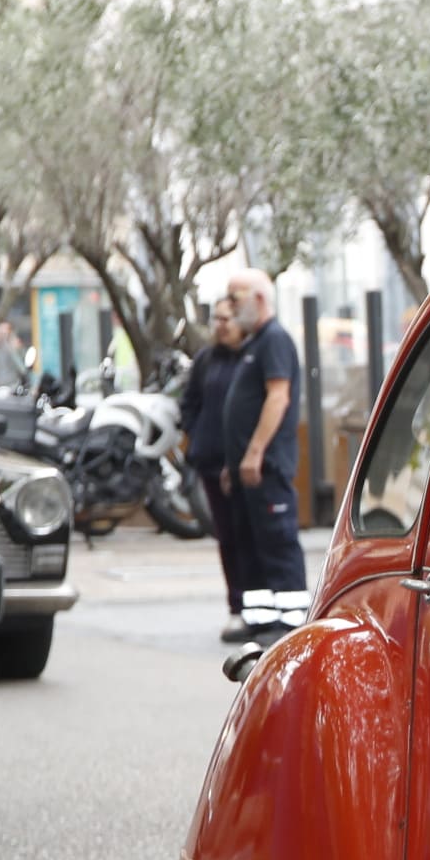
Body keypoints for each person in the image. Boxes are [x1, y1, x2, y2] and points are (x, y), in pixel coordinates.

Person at [219, 269, 309, 644]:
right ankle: (261, 621)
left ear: (258, 299)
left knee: (277, 545)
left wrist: (255, 452)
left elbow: (278, 397)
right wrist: (233, 464)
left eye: (235, 298)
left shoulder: (274, 340)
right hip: (246, 471)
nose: (230, 306)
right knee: (252, 548)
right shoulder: (253, 344)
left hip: (266, 468)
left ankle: (290, 625)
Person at [180, 299, 254, 642]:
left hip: (248, 467)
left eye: (228, 318)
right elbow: (189, 403)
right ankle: (237, 607)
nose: (221, 324)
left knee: (250, 536)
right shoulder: (206, 360)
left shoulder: (253, 357)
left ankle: (259, 609)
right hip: (211, 465)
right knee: (227, 538)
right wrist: (198, 435)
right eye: (217, 319)